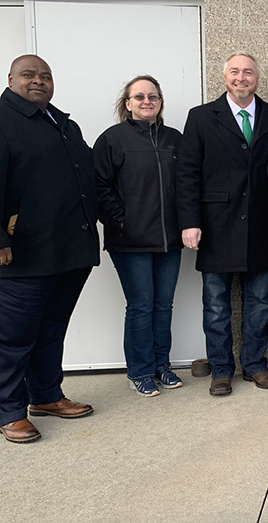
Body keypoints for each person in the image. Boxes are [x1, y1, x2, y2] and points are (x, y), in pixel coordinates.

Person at [0, 54, 99, 443]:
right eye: (29, 74)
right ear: (11, 79)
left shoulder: (64, 124)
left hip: (66, 253)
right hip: (15, 256)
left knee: (49, 332)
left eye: (45, 75)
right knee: (9, 339)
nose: (38, 81)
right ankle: (9, 411)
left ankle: (46, 395)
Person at [176, 53, 268, 397]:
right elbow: (187, 174)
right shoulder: (200, 118)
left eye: (249, 72)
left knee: (259, 302)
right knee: (215, 305)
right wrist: (190, 223)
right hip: (215, 227)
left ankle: (255, 365)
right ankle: (221, 369)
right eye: (236, 72)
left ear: (257, 77)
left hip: (261, 226)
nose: (242, 78)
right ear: (225, 77)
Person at [93, 75, 184, 398]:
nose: (147, 101)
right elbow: (99, 187)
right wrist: (121, 221)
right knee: (142, 306)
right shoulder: (113, 139)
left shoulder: (175, 139)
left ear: (160, 102)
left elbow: (187, 185)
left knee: (163, 306)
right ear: (128, 103)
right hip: (130, 242)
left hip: (169, 241)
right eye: (140, 97)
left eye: (153, 96)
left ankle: (162, 365)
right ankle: (140, 371)